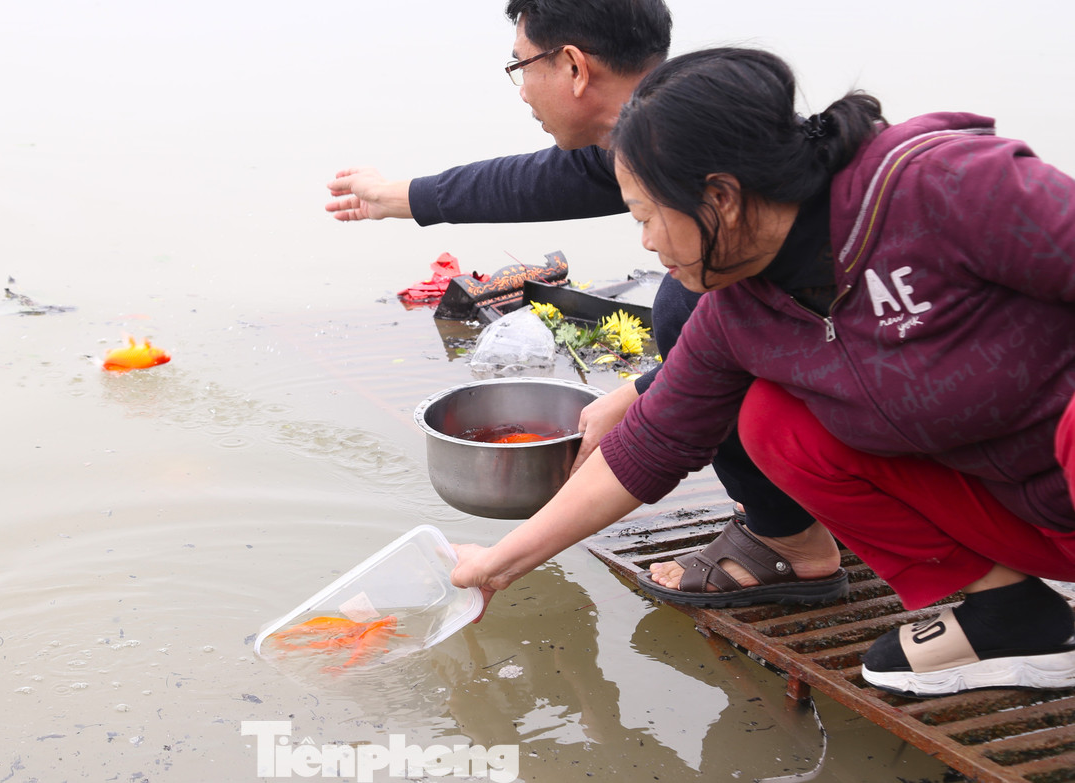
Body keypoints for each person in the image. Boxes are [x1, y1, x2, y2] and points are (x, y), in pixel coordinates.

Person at [451, 46, 1075, 698]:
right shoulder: (740, 311)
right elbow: (647, 445)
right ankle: (1010, 613)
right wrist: (497, 564)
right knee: (774, 421)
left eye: (646, 217)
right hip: (1025, 515)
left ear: (720, 197)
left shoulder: (944, 185)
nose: (646, 244)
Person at [326, 0, 839, 607]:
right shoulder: (678, 125)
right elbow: (538, 183)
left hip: (893, 392)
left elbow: (725, 352)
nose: (520, 89)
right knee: (683, 319)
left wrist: (640, 396)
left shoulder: (696, 159)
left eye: (520, 65)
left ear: (572, 65)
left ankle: (791, 542)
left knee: (682, 309)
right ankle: (807, 510)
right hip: (864, 375)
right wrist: (398, 196)